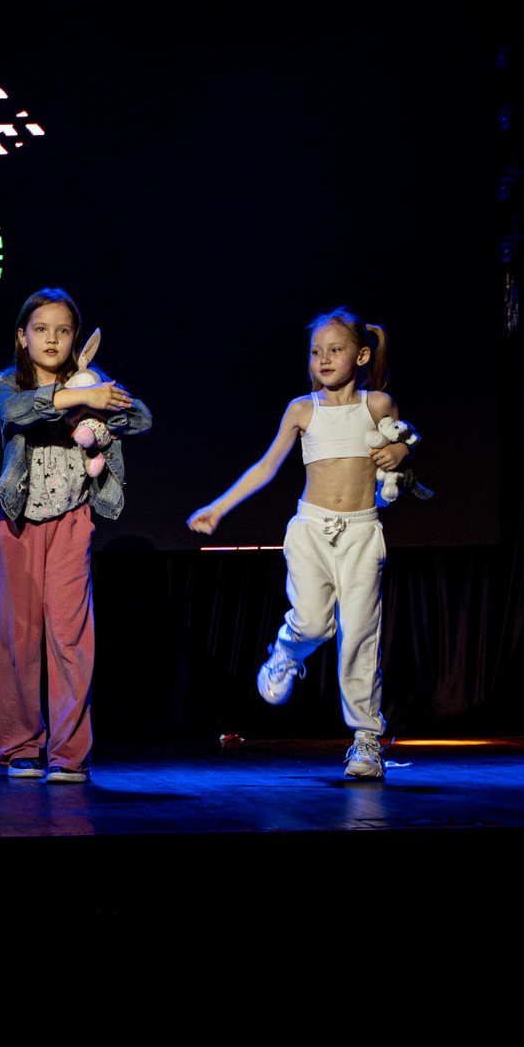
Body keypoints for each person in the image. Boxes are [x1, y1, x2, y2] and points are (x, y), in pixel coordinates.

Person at [189, 308, 413, 781]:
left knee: (359, 634)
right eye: (316, 351)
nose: (324, 359)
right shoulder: (302, 409)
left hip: (361, 532)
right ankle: (288, 652)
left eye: (335, 350)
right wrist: (219, 507)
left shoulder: (378, 405)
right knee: (312, 620)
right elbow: (267, 466)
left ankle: (366, 739)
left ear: (362, 355)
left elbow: (399, 452)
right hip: (311, 531)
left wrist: (402, 452)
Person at [0, 289, 151, 783]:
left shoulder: (91, 383)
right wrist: (79, 398)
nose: (52, 339)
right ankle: (21, 746)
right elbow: (15, 412)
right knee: (16, 636)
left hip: (72, 520)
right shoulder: (4, 384)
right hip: (17, 522)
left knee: (70, 637)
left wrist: (94, 392)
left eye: (63, 330)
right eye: (41, 329)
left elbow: (141, 417)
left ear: (76, 338)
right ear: (23, 336)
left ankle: (69, 754)